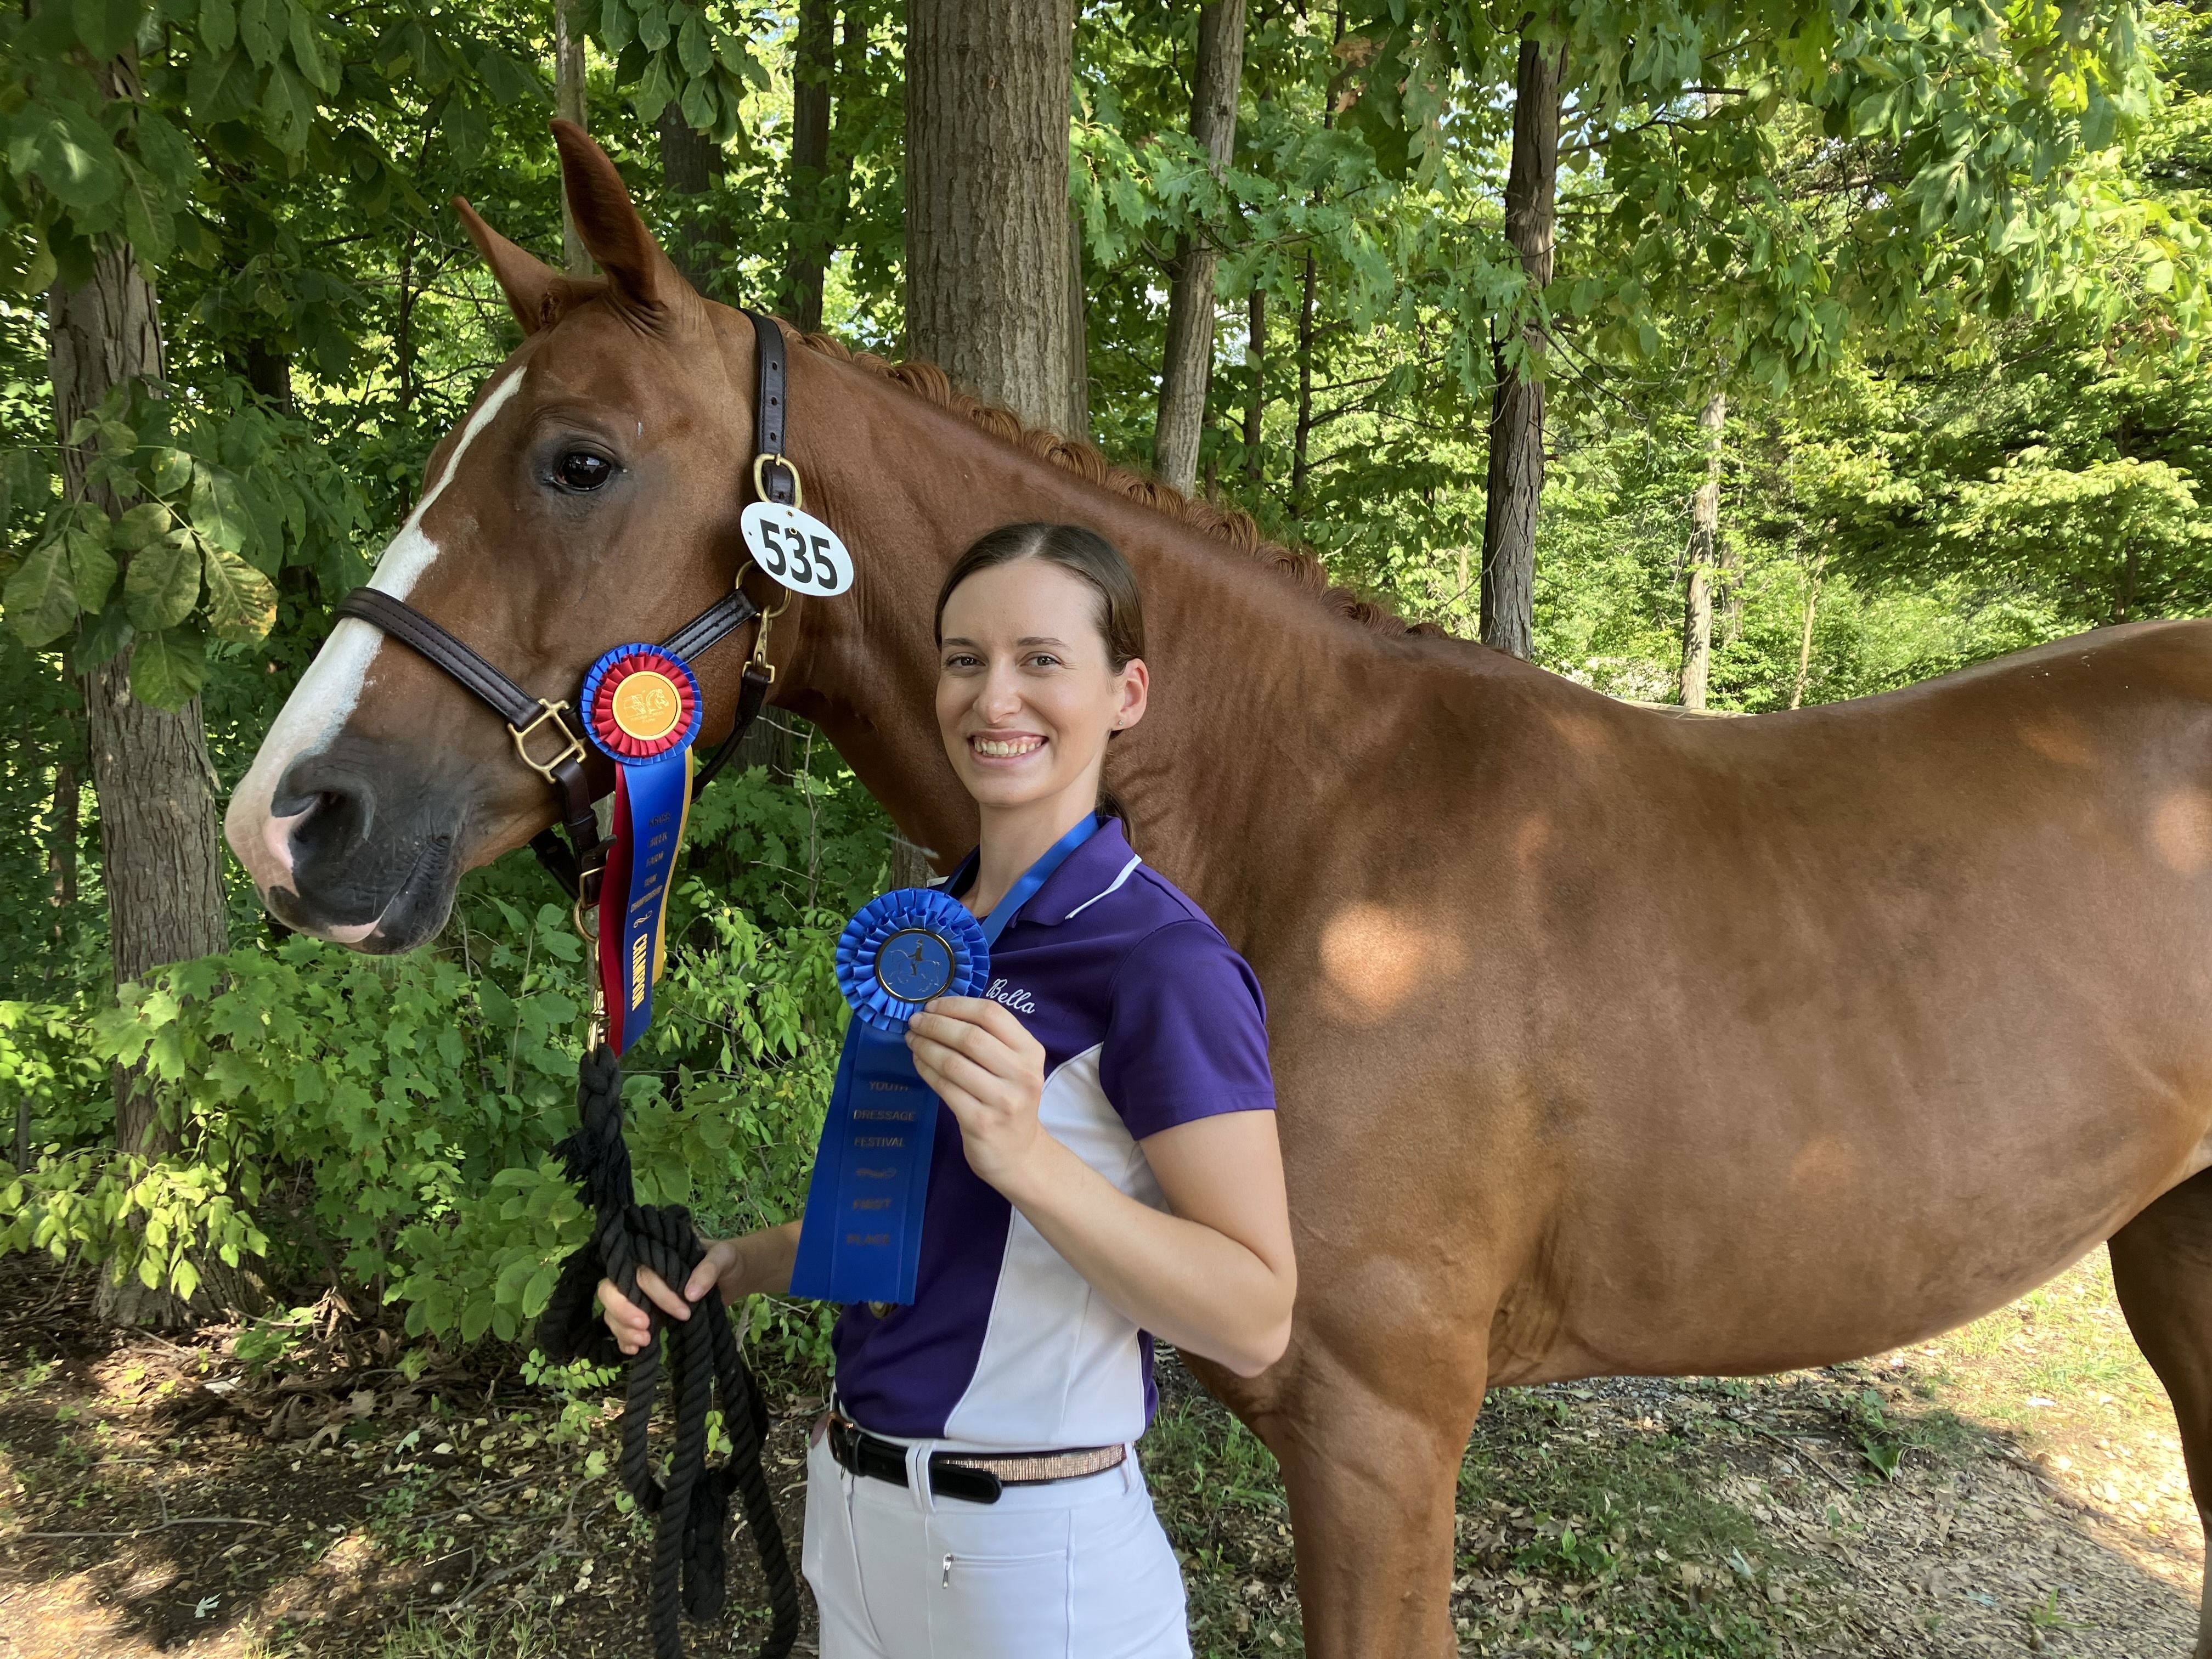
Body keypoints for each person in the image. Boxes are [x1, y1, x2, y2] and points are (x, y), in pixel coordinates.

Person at [597, 522, 1296, 1658]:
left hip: (1034, 1562)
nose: (992, 696)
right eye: (964, 659)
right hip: (856, 1520)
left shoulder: (1162, 960)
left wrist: (1029, 1154)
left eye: (1040, 659)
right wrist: (741, 1265)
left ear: (1127, 692)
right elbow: (931, 1220)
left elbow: (1255, 1315)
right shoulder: (931, 930)